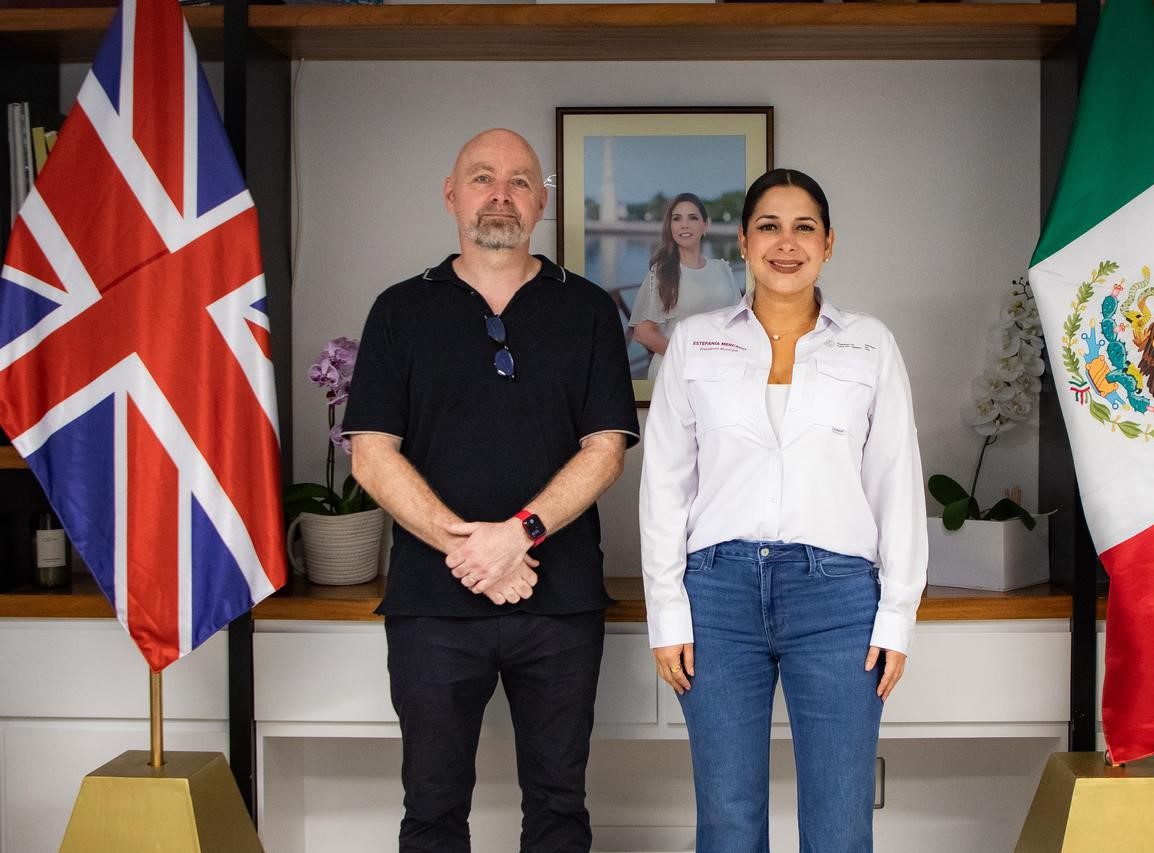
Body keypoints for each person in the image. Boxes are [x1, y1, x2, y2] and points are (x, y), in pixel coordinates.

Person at [343, 128, 640, 853]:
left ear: (541, 203)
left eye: (519, 181)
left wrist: (517, 536)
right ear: (451, 196)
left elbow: (605, 451)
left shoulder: (589, 309)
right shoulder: (398, 310)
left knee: (559, 810)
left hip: (560, 601)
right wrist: (471, 549)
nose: (500, 194)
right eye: (482, 178)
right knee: (432, 810)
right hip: (433, 606)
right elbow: (371, 456)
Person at [638, 168, 927, 852]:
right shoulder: (695, 342)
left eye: (804, 228)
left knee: (839, 823)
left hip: (838, 600)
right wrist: (667, 611)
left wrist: (897, 614)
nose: (786, 243)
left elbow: (897, 482)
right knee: (728, 822)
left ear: (828, 243)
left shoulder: (870, 344)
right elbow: (665, 486)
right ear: (743, 242)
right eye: (769, 227)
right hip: (716, 597)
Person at [630, 192, 740, 379]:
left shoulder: (722, 268)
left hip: (719, 372)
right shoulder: (661, 272)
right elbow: (643, 332)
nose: (684, 225)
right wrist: (690, 359)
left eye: (693, 218)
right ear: (670, 226)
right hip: (674, 370)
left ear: (705, 225)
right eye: (677, 218)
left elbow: (737, 322)